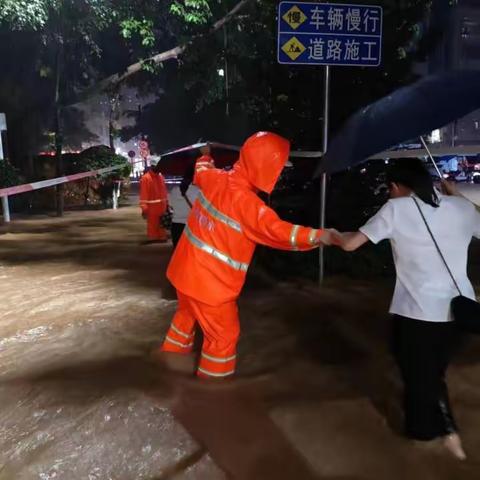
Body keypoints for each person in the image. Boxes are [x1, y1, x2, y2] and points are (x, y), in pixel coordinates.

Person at [332, 159, 480, 460]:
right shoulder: (460, 208)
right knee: (429, 371)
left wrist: (329, 234)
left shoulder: (396, 209)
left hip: (419, 313)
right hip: (460, 310)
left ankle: (432, 437)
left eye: (390, 189)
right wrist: (460, 198)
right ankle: (439, 438)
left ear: (397, 186)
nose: (390, 195)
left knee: (417, 376)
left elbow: (350, 245)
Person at [158, 132, 334, 380]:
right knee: (223, 336)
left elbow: (201, 169)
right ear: (265, 167)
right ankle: (212, 394)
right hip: (210, 287)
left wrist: (205, 155)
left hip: (183, 275)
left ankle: (167, 365)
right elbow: (280, 232)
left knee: (185, 318)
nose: (281, 173)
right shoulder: (248, 205)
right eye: (278, 168)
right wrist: (323, 236)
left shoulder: (215, 178)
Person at [168, 163, 200, 248]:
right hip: (191, 227)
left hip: (176, 227)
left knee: (178, 253)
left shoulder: (174, 190)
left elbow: (170, 205)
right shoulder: (197, 191)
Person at [139, 158, 168, 243]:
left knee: (161, 225)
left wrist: (167, 204)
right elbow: (144, 194)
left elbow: (164, 191)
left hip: (162, 206)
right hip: (152, 208)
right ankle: (153, 239)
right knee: (153, 225)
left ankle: (161, 237)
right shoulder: (146, 178)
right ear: (152, 166)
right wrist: (144, 208)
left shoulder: (161, 176)